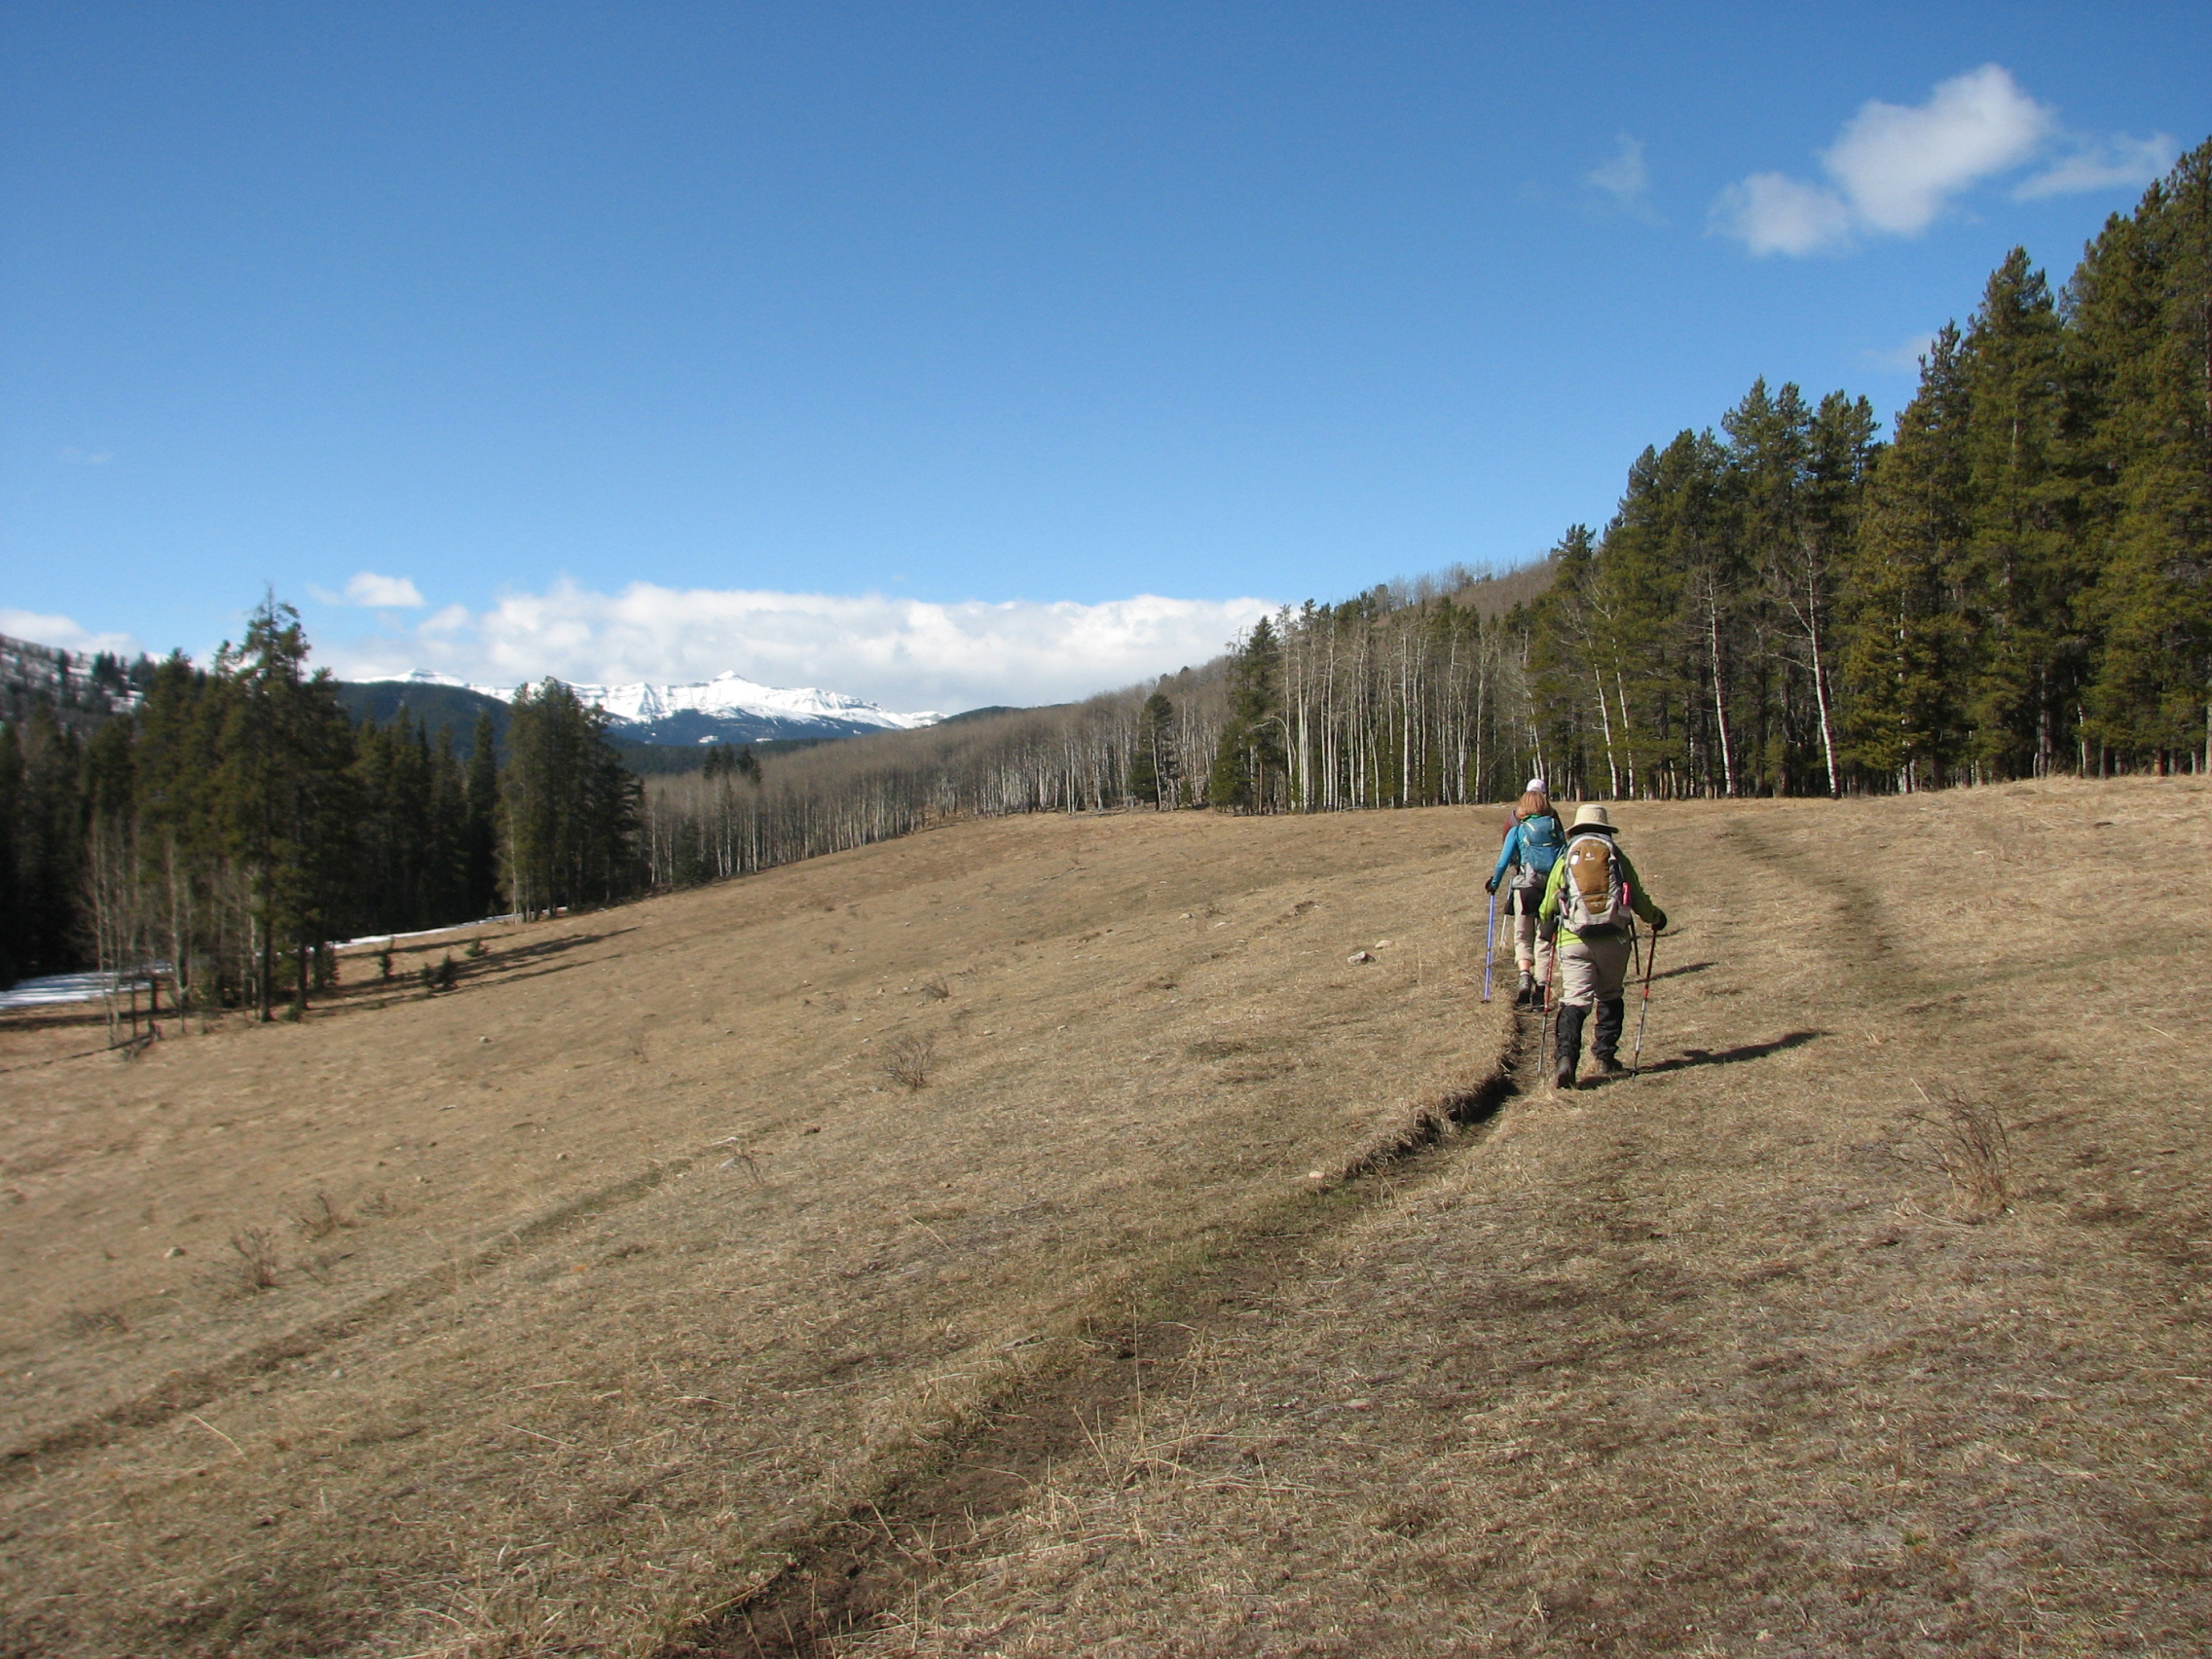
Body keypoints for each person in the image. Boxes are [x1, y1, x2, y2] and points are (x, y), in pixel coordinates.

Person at [1536, 803, 1668, 1089]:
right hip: (1614, 939)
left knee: (1575, 1000)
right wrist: (1656, 918)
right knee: (1610, 995)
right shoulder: (1616, 855)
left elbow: (1548, 903)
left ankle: (1566, 1060)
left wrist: (1546, 924)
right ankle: (1605, 1056)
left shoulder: (1567, 856)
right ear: (1605, 829)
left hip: (1574, 940)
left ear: (1577, 829)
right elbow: (1637, 897)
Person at [1485, 778, 1565, 1008]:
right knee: (1544, 937)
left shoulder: (1518, 830)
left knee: (1522, 935)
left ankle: (1524, 977)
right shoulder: (1554, 827)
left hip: (1526, 887)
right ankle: (1542, 985)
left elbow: (1503, 862)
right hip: (1551, 889)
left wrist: (1494, 883)